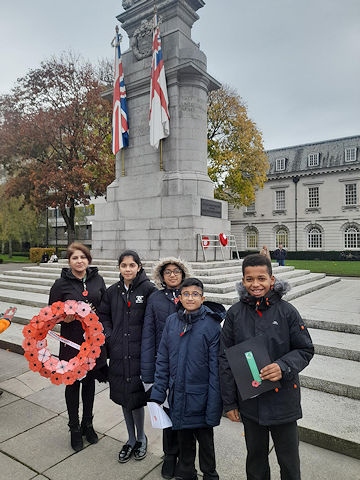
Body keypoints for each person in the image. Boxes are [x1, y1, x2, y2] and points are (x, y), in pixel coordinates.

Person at [219, 254, 314, 480]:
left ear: (272, 279)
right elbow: (225, 359)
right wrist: (229, 402)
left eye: (261, 278)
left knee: (289, 462)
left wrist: (283, 366)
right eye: (249, 279)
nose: (255, 284)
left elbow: (305, 349)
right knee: (256, 460)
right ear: (243, 281)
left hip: (284, 402)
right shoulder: (234, 314)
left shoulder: (287, 311)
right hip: (251, 404)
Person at [150, 278, 224, 480]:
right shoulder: (173, 322)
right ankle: (187, 473)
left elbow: (215, 370)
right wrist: (158, 392)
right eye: (186, 294)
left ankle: (209, 474)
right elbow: (163, 358)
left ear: (203, 298)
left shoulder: (211, 326)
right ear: (179, 298)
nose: (190, 298)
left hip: (201, 397)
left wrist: (214, 404)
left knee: (206, 442)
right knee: (184, 441)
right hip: (178, 396)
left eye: (195, 294)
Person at [98, 250, 156, 463]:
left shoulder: (149, 290)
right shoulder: (113, 291)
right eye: (124, 265)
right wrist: (110, 335)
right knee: (124, 396)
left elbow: (154, 319)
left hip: (140, 354)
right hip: (119, 353)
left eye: (132, 265)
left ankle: (141, 437)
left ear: (139, 267)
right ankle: (130, 439)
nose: (128, 269)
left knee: (136, 398)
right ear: (119, 268)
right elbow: (103, 316)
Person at [48, 242, 108, 452]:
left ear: (88, 259)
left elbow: (104, 305)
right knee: (72, 384)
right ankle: (74, 427)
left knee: (89, 383)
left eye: (83, 257)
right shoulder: (60, 284)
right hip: (71, 342)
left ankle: (87, 424)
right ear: (69, 261)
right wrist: (65, 317)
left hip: (91, 342)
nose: (79, 261)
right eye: (75, 258)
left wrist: (95, 312)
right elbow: (51, 314)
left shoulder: (97, 279)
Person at [141, 257, 192, 479]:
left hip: (188, 363)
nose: (172, 275)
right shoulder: (155, 299)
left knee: (186, 411)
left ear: (183, 274)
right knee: (168, 411)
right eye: (168, 272)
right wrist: (147, 370)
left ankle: (185, 455)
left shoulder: (190, 295)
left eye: (176, 271)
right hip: (165, 364)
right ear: (161, 276)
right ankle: (170, 454)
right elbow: (148, 333)